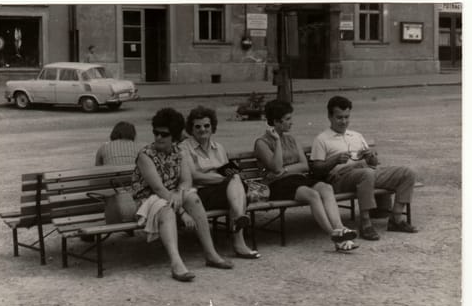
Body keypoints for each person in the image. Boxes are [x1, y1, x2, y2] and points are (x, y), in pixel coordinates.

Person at [132, 107, 233, 282]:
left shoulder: (179, 152)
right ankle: (176, 263)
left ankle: (211, 253)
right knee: (166, 210)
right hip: (149, 200)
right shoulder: (145, 155)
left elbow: (186, 181)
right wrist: (181, 211)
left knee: (193, 198)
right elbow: (158, 189)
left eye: (164, 134)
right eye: (156, 133)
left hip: (172, 195)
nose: (158, 138)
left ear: (174, 136)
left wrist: (179, 193)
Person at [254, 100, 359, 252]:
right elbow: (276, 168)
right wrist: (277, 141)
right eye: (288, 119)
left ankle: (340, 227)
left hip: (295, 179)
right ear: (276, 122)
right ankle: (334, 235)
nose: (292, 122)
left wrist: (285, 170)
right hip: (277, 184)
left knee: (326, 187)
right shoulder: (261, 143)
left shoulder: (291, 139)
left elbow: (304, 165)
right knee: (312, 195)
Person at [310, 95, 418, 241]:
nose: (344, 121)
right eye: (339, 117)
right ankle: (366, 223)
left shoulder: (356, 135)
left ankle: (396, 219)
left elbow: (373, 164)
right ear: (329, 116)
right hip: (341, 179)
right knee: (366, 173)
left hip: (366, 173)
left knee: (407, 173)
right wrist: (334, 160)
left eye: (347, 117)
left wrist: (371, 157)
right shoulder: (322, 139)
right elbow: (316, 169)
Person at [180, 106, 260, 259]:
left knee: (236, 182)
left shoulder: (219, 148)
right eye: (197, 126)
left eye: (206, 126)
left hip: (223, 191)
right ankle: (239, 235)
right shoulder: (184, 148)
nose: (202, 129)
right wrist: (225, 179)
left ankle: (237, 222)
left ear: (212, 127)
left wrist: (228, 178)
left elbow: (226, 170)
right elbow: (194, 176)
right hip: (199, 195)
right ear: (191, 128)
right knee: (236, 184)